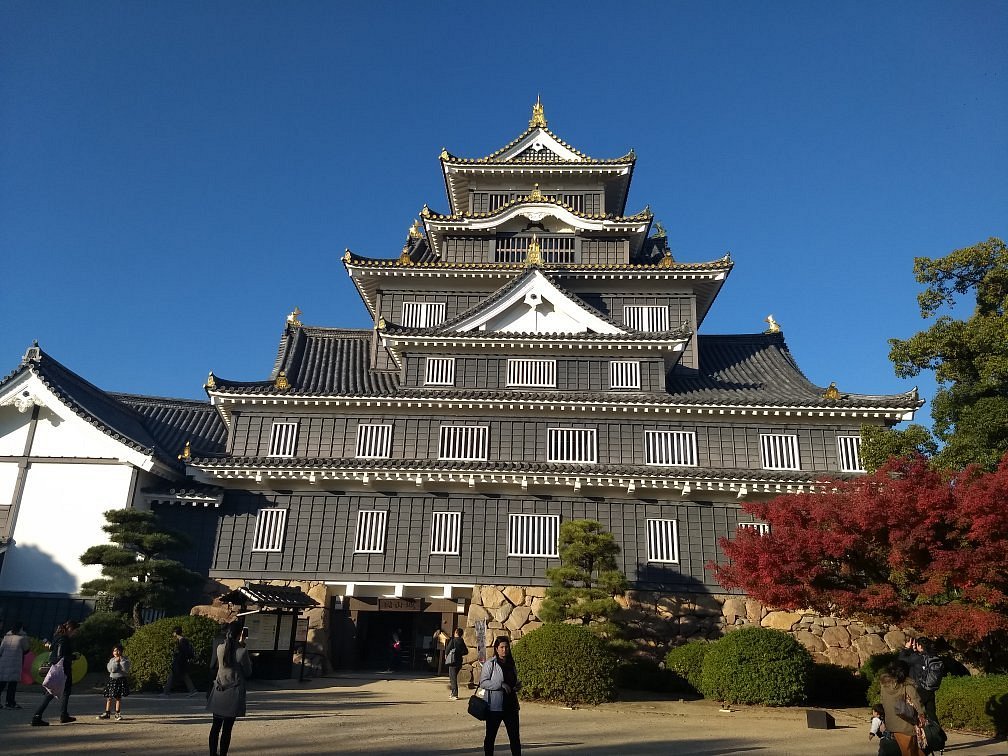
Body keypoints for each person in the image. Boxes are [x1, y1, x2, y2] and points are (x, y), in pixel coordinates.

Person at [207, 621, 253, 756]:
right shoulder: (242, 651)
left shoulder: (220, 648)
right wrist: (243, 644)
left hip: (220, 690)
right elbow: (248, 672)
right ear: (240, 634)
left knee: (215, 727)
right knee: (227, 729)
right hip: (233, 692)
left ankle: (212, 754)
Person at [479, 635, 522, 756]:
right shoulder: (490, 664)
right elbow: (483, 682)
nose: (504, 650)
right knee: (490, 738)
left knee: (514, 738)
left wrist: (517, 686)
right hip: (494, 708)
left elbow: (513, 681)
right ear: (496, 649)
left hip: (511, 706)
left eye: (506, 647)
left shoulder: (511, 664)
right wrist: (500, 685)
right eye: (502, 647)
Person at [31, 620, 79, 726]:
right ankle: (39, 716)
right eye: (75, 631)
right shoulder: (64, 639)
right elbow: (60, 655)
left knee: (56, 692)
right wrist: (73, 657)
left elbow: (54, 651)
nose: (76, 633)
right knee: (55, 692)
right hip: (62, 668)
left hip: (57, 667)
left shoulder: (57, 638)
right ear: (71, 629)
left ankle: (61, 714)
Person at [878, 660, 924, 756]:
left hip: (891, 725)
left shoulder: (884, 685)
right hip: (906, 726)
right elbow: (918, 704)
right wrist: (922, 716)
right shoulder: (907, 686)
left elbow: (882, 702)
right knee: (911, 753)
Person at [0, 620, 31, 709]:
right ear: (21, 628)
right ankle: (10, 702)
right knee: (12, 685)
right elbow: (26, 649)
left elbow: (0, 650)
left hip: (4, 663)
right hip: (15, 663)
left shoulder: (6, 637)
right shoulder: (22, 638)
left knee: (2, 683)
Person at [96, 644, 130, 720]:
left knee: (118, 698)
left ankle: (117, 713)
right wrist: (116, 663)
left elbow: (126, 669)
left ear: (121, 651)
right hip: (112, 680)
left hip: (120, 680)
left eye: (118, 650)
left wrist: (120, 662)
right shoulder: (111, 660)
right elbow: (110, 669)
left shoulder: (125, 659)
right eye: (114, 650)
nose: (116, 652)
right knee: (109, 697)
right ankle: (107, 713)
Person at [164, 626, 198, 696]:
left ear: (176, 633)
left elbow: (184, 652)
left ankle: (166, 692)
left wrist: (178, 655)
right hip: (181, 661)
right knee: (181, 675)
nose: (172, 634)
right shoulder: (182, 640)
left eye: (173, 632)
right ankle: (192, 690)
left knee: (177, 675)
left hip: (180, 661)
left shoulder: (182, 641)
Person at [445, 628, 468, 701]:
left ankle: (455, 694)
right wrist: (459, 653)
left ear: (456, 633)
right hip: (459, 662)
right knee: (454, 677)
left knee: (453, 678)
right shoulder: (462, 641)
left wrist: (446, 656)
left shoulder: (453, 640)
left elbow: (448, 650)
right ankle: (453, 693)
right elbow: (466, 651)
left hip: (452, 662)